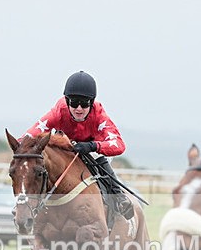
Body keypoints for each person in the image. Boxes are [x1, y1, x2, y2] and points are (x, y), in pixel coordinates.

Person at [22, 70, 134, 219]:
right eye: (74, 103)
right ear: (67, 101)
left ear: (92, 102)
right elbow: (29, 135)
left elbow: (119, 145)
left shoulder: (99, 114)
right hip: (66, 148)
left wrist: (93, 146)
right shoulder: (58, 112)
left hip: (92, 150)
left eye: (84, 103)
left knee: (98, 158)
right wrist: (20, 148)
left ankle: (118, 197)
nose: (79, 108)